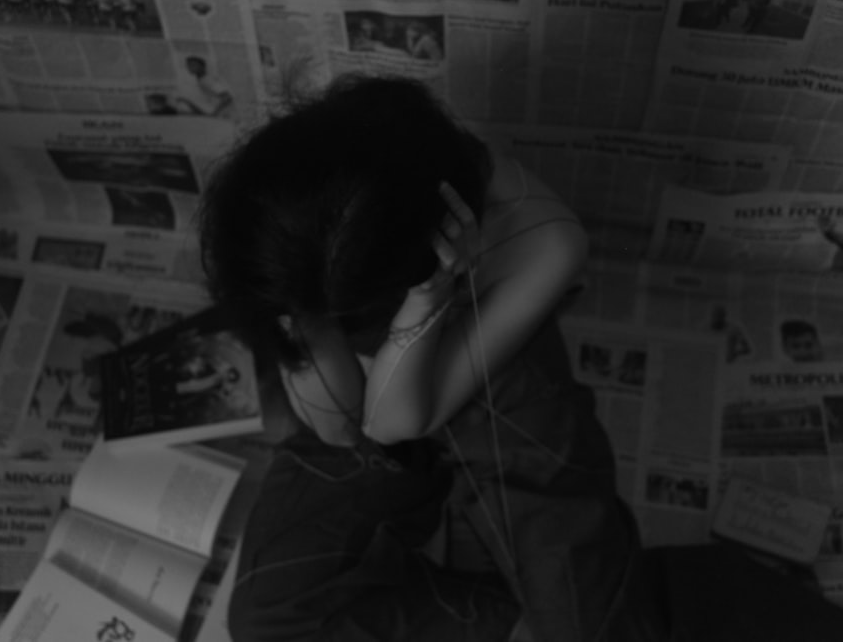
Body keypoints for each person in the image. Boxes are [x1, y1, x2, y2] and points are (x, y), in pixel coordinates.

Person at [196, 74, 843, 641]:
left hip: (493, 376)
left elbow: (396, 418)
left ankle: (631, 608)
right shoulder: (307, 222)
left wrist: (424, 304)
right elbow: (345, 427)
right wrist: (320, 338)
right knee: (264, 622)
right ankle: (532, 619)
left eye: (349, 313)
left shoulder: (544, 240)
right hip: (379, 400)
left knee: (597, 632)